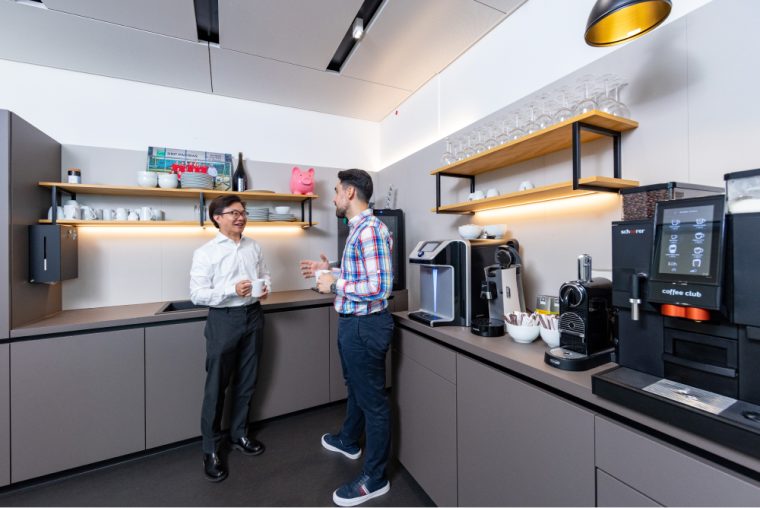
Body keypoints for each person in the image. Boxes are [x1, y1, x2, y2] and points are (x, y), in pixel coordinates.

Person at [300, 169, 394, 506]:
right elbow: (362, 275)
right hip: (353, 323)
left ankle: (376, 478)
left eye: (338, 190)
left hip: (365, 326)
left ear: (350, 193)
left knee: (373, 402)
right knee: (355, 387)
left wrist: (335, 285)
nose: (334, 197)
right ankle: (349, 440)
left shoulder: (370, 230)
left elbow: (380, 287)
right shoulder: (358, 229)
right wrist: (329, 272)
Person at [190, 194, 271, 482]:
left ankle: (239, 435)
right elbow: (197, 294)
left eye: (243, 212)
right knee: (216, 387)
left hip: (253, 316)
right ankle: (210, 449)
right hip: (223, 320)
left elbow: (265, 275)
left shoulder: (254, 247)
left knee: (247, 381)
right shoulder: (206, 253)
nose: (241, 216)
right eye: (234, 212)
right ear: (218, 217)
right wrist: (230, 290)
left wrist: (264, 288)